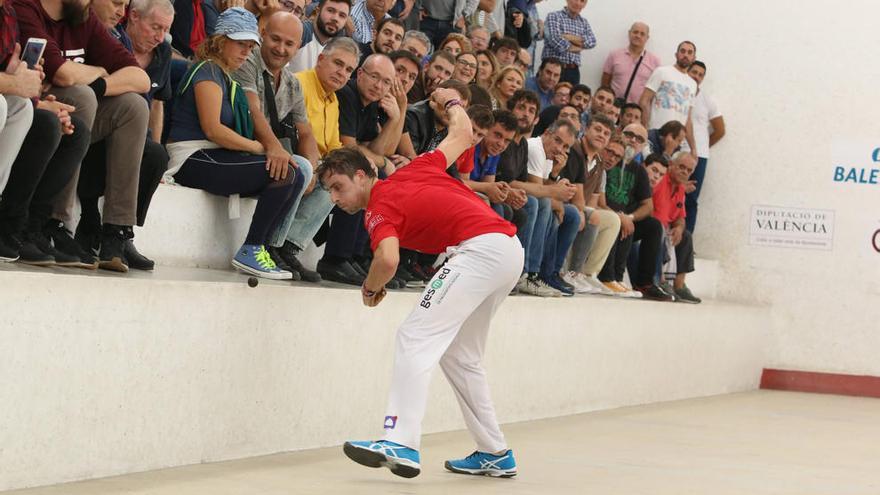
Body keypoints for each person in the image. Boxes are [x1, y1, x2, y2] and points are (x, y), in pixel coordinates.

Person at [329, 87, 522, 480]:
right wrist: (452, 102)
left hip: (480, 251)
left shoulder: (379, 206)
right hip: (508, 250)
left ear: (362, 175)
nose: (335, 198)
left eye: (338, 187)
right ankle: (494, 452)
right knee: (460, 355)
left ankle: (400, 440)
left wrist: (370, 289)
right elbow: (464, 134)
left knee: (415, 335)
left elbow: (387, 259)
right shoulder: (417, 168)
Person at [165, 7, 305, 279]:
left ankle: (263, 247)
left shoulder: (225, 75)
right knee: (285, 171)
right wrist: (259, 148)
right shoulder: (207, 70)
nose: (246, 52)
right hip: (191, 157)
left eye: (250, 46)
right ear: (220, 40)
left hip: (213, 155)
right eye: (240, 44)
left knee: (292, 171)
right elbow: (213, 129)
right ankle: (252, 249)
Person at [16, 0, 154, 272]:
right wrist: (99, 71)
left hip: (69, 111)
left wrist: (101, 81)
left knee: (134, 106)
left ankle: (115, 231)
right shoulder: (27, 9)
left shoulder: (83, 17)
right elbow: (64, 75)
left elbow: (140, 78)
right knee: (83, 95)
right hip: (37, 108)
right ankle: (55, 222)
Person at [76, 0, 174, 270]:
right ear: (134, 17)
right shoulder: (108, 36)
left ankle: (121, 234)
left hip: (125, 126)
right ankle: (89, 220)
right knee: (124, 119)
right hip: (96, 123)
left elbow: (156, 101)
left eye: (165, 30)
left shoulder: (163, 52)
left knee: (155, 155)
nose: (159, 35)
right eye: (155, 27)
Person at [231, 10, 323, 281]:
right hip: (244, 147)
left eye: (289, 44)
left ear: (298, 47)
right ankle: (267, 246)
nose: (281, 49)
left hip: (268, 153)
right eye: (275, 39)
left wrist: (315, 173)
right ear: (262, 36)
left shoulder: (293, 83)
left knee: (332, 178)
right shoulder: (248, 62)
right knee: (300, 167)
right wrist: (274, 147)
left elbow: (306, 133)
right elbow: (252, 110)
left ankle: (285, 247)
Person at [598, 130, 669, 300]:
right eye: (629, 135)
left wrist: (629, 218)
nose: (632, 140)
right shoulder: (607, 160)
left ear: (644, 146)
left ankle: (644, 283)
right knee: (617, 221)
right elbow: (598, 199)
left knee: (653, 226)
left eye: (639, 139)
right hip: (605, 214)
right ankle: (608, 277)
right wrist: (621, 217)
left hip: (625, 221)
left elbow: (648, 206)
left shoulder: (638, 170)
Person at [564, 115, 621, 295]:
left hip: (582, 208)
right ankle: (572, 272)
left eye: (606, 133)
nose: (601, 135)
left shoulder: (599, 162)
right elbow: (575, 193)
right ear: (586, 129)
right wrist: (584, 211)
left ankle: (588, 273)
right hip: (563, 202)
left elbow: (593, 201)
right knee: (590, 215)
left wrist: (586, 212)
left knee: (612, 219)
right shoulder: (575, 150)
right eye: (597, 129)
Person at [652, 151, 700, 303]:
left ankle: (679, 286)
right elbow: (655, 215)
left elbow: (680, 217)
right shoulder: (660, 181)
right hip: (653, 226)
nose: (685, 172)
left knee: (685, 236)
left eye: (689, 170)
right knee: (659, 230)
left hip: (665, 229)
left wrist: (678, 228)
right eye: (681, 167)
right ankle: (661, 281)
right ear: (671, 165)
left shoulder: (680, 188)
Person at [685, 60, 725, 233]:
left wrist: (702, 147)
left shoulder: (708, 100)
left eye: (701, 75)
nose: (697, 76)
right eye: (694, 72)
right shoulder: (678, 93)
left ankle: (685, 245)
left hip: (699, 156)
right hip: (677, 151)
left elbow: (720, 130)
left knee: (691, 199)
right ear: (687, 72)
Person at [639, 40, 697, 151]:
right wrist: (645, 128)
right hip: (655, 135)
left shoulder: (693, 84)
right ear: (676, 54)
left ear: (694, 58)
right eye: (683, 51)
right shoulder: (662, 72)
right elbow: (644, 101)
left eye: (690, 53)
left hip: (676, 143)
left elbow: (688, 118)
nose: (685, 55)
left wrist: (693, 149)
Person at [600, 21, 661, 105]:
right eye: (635, 32)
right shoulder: (614, 55)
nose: (638, 36)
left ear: (647, 38)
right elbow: (605, 82)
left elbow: (655, 90)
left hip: (636, 111)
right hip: (613, 108)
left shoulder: (655, 62)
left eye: (642, 34)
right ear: (629, 33)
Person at [541, 0, 595, 84]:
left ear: (585, 4)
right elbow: (555, 40)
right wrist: (577, 47)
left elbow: (592, 42)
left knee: (572, 96)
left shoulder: (584, 22)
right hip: (552, 69)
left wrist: (569, 37)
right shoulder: (554, 16)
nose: (577, 3)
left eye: (582, 1)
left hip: (573, 71)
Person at [288, 0, 349, 72]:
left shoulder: (337, 48)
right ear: (317, 11)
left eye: (342, 15)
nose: (335, 18)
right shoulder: (300, 31)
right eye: (330, 11)